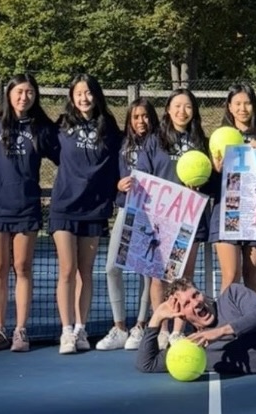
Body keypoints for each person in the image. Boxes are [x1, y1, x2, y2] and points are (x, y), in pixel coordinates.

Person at [0, 74, 57, 353]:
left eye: (30, 92)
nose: (24, 97)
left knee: (22, 268)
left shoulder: (41, 129)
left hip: (27, 209)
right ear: (9, 94)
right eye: (19, 92)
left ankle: (21, 331)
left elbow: (67, 158)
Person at [49, 73, 122, 354]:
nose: (84, 97)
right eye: (79, 93)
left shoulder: (110, 127)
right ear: (72, 96)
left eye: (88, 92)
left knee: (85, 272)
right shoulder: (61, 125)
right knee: (67, 269)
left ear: (96, 95)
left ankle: (81, 329)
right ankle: (66, 331)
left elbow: (122, 157)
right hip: (63, 207)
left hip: (94, 210)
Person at [150, 88, 212, 346]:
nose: (182, 111)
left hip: (191, 217)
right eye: (177, 106)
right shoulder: (154, 140)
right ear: (168, 109)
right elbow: (145, 174)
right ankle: (160, 328)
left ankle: (178, 330)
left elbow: (211, 179)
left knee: (184, 278)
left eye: (187, 107)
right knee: (159, 275)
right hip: (162, 218)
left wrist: (200, 185)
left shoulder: (201, 141)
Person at [97, 98, 158, 351]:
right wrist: (117, 185)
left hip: (153, 213)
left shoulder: (159, 143)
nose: (140, 121)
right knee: (112, 267)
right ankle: (120, 326)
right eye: (135, 117)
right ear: (129, 120)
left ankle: (141, 325)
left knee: (147, 271)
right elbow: (111, 174)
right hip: (126, 210)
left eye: (145, 116)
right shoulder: (121, 144)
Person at [210, 83, 256, 295]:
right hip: (227, 213)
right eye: (238, 104)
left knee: (253, 276)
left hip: (254, 215)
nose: (243, 108)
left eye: (247, 103)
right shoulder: (218, 137)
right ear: (230, 107)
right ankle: (227, 324)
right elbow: (209, 182)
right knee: (231, 275)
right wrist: (216, 170)